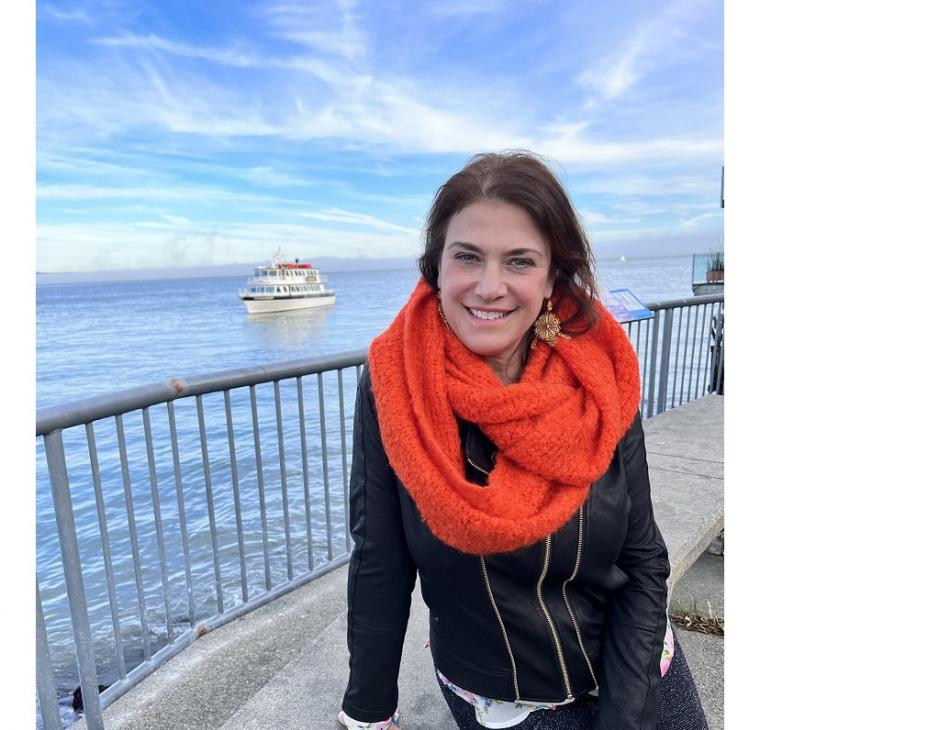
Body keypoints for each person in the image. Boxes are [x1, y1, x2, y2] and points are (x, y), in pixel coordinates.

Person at [338, 151, 708, 730]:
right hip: (502, 697)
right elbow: (380, 561)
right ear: (435, 267)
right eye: (467, 257)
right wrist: (367, 713)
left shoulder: (599, 372)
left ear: (552, 275)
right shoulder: (396, 384)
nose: (490, 287)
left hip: (636, 661)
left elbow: (642, 559)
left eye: (519, 261)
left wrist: (625, 715)